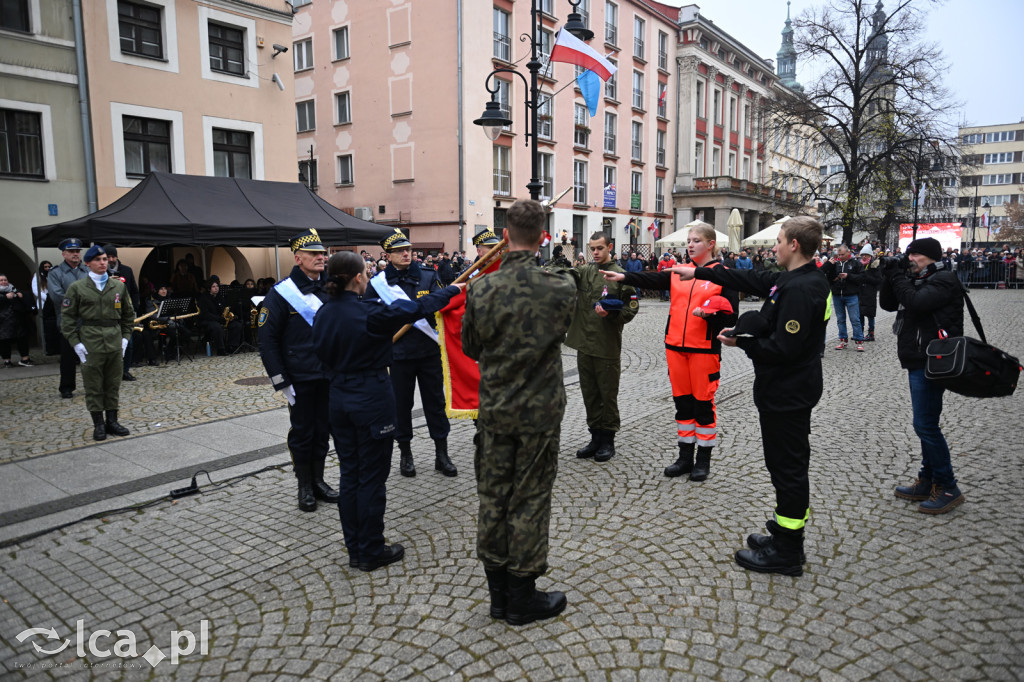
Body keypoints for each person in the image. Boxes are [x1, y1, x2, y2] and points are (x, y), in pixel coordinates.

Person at [670, 216, 830, 576]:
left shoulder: (804, 288)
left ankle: (788, 552)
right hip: (782, 388)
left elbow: (783, 348)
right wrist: (699, 274)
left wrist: (741, 342)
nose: (773, 247)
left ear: (794, 246)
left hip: (789, 390)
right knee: (782, 466)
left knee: (788, 469)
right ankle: (783, 532)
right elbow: (751, 278)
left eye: (779, 241)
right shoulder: (793, 279)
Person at [462, 198, 576, 625]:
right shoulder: (561, 286)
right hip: (539, 412)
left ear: (505, 236)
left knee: (494, 495)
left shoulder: (480, 288)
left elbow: (471, 347)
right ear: (544, 237)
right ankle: (521, 596)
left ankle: (497, 595)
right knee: (529, 497)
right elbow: (561, 333)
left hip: (494, 409)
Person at [313, 251, 462, 571]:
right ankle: (370, 550)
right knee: (371, 478)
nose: (368, 277)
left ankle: (355, 547)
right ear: (357, 278)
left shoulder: (323, 313)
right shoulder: (369, 312)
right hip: (370, 399)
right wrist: (453, 290)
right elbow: (419, 308)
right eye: (365, 274)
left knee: (350, 476)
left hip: (338, 400)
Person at [602, 221, 738, 480]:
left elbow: (731, 318)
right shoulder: (680, 271)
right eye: (688, 240)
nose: (690, 245)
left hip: (704, 350)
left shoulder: (722, 274)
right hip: (675, 347)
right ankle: (685, 457)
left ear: (711, 245)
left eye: (696, 240)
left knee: (703, 406)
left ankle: (703, 461)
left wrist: (710, 315)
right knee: (682, 405)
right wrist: (624, 276)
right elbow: (653, 278)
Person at [879, 237, 966, 514]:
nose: (910, 259)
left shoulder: (943, 279)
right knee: (926, 423)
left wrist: (898, 276)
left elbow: (915, 303)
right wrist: (890, 276)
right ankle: (928, 479)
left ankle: (949, 486)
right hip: (919, 358)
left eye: (914, 254)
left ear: (928, 256)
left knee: (925, 425)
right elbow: (890, 304)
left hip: (933, 360)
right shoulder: (917, 278)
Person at [258, 229, 340, 513]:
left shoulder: (331, 288)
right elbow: (267, 340)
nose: (321, 257)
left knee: (323, 432)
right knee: (303, 432)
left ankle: (319, 480)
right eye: (314, 254)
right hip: (300, 377)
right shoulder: (281, 293)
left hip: (328, 375)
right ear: (297, 258)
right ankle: (304, 484)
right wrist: (281, 380)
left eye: (322, 253)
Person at [365, 229, 457, 478]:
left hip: (428, 352)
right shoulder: (377, 285)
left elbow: (443, 304)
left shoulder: (428, 276)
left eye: (408, 249)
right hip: (398, 355)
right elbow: (370, 319)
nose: (406, 253)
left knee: (435, 404)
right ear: (388, 255)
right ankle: (405, 454)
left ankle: (442, 453)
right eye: (399, 251)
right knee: (400, 407)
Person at [559, 232, 638, 463]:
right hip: (585, 345)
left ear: (609, 247)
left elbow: (631, 308)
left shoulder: (621, 275)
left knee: (607, 395)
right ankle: (594, 438)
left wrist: (612, 315)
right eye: (592, 248)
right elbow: (569, 275)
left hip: (607, 345)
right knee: (590, 394)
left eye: (599, 248)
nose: (595, 252)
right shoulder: (586, 272)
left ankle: (608, 441)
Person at [61, 245, 135, 441]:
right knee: (94, 385)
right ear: (88, 263)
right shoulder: (77, 288)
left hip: (114, 339)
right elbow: (67, 319)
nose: (103, 262)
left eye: (104, 259)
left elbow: (128, 315)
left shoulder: (118, 286)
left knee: (112, 383)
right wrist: (76, 343)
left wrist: (126, 338)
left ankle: (112, 421)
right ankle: (99, 424)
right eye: (98, 260)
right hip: (91, 341)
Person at [48, 237, 90, 398]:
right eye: (71, 251)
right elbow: (58, 296)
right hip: (68, 322)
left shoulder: (87, 271)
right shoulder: (56, 273)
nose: (75, 254)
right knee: (68, 357)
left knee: (89, 357)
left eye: (77, 251)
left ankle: (91, 385)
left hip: (87, 321)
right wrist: (82, 300)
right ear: (64, 254)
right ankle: (66, 387)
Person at [104, 246, 140, 381]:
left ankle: (125, 371)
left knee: (128, 344)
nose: (111, 260)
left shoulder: (127, 270)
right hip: (108, 314)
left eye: (113, 257)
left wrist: (134, 307)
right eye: (108, 257)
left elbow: (135, 291)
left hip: (125, 313)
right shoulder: (102, 273)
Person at [821, 244, 865, 351]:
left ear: (848, 253)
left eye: (842, 254)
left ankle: (859, 341)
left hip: (851, 294)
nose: (840, 256)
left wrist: (848, 276)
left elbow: (862, 277)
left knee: (855, 319)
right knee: (840, 319)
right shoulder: (835, 264)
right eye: (839, 254)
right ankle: (843, 340)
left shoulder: (856, 263)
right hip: (837, 294)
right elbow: (827, 278)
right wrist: (834, 278)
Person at [197, 280, 241, 355]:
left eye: (217, 286)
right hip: (207, 320)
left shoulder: (220, 297)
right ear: (209, 288)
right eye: (213, 287)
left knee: (236, 325)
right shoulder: (203, 298)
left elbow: (224, 309)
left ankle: (231, 346)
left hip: (220, 319)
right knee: (217, 327)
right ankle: (221, 349)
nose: (216, 288)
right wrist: (219, 319)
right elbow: (205, 314)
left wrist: (228, 316)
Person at [0, 274, 33, 367]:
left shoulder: (14, 289)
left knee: (22, 339)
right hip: (3, 322)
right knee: (4, 341)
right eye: (1, 280)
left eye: (5, 280)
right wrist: (5, 298)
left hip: (18, 320)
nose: (3, 282)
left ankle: (25, 359)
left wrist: (20, 295)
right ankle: (7, 361)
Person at [32, 261, 60, 356]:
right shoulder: (38, 275)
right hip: (45, 303)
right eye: (45, 267)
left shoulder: (54, 274)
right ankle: (49, 348)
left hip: (54, 303)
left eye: (49, 266)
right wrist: (48, 298)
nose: (47, 268)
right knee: (47, 327)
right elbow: (36, 290)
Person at [857, 244, 882, 342]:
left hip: (870, 293)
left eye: (866, 255)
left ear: (870, 256)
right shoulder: (859, 264)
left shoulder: (874, 265)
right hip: (860, 293)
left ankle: (871, 334)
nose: (864, 256)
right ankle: (860, 333)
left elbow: (879, 280)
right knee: (860, 314)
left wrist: (866, 277)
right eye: (862, 255)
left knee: (870, 315)